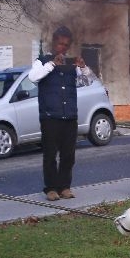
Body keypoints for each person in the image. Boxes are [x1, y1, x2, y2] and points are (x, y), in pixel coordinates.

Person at [26, 25, 94, 200]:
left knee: (68, 155)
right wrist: (51, 64)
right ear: (54, 42)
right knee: (50, 154)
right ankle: (51, 188)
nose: (62, 47)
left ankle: (65, 187)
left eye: (65, 45)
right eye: (59, 43)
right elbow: (33, 77)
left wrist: (83, 67)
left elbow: (87, 82)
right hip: (50, 116)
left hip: (69, 115)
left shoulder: (71, 64)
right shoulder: (42, 61)